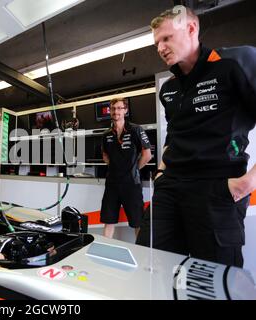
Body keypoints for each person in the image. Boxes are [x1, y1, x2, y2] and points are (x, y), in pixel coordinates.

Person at [136, 5, 256, 267]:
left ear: (191, 28)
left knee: (215, 280)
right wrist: (161, 173)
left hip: (216, 189)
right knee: (149, 267)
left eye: (166, 38)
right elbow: (173, 135)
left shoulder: (235, 63)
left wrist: (247, 183)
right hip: (170, 189)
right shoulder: (168, 89)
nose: (160, 48)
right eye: (156, 42)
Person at [100, 98, 152, 239]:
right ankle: (103, 253)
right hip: (112, 184)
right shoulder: (106, 135)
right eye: (113, 108)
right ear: (110, 111)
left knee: (137, 222)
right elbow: (105, 156)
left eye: (119, 108)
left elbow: (147, 155)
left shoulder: (136, 129)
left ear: (125, 110)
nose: (116, 111)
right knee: (108, 221)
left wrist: (133, 169)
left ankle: (141, 256)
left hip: (131, 184)